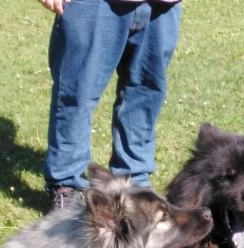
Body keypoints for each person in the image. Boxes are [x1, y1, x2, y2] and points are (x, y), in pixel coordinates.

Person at [38, 0, 182, 209]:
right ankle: (67, 185)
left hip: (162, 7)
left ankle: (134, 181)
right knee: (76, 94)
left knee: (145, 94)